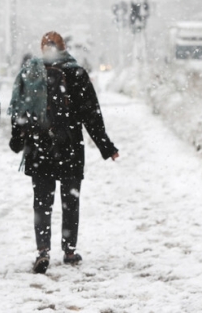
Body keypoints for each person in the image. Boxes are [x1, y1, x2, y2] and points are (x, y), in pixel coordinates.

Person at [9, 31, 119, 275]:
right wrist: (106, 146)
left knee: (42, 203)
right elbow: (92, 115)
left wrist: (17, 140)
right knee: (70, 201)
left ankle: (43, 251)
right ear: (63, 47)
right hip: (69, 144)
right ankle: (69, 251)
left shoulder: (32, 72)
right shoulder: (76, 72)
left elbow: (20, 111)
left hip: (39, 146)